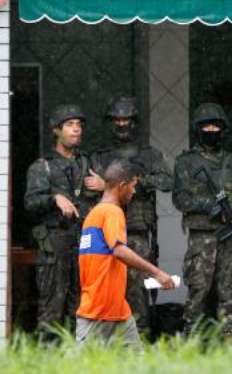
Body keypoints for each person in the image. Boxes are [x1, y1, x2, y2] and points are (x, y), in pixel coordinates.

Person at [91, 96, 173, 334]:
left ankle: (140, 340)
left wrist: (133, 182)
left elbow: (167, 181)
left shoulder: (149, 155)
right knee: (106, 289)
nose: (122, 124)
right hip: (105, 234)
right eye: (117, 119)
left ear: (134, 122)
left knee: (137, 293)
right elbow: (87, 189)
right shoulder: (100, 156)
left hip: (136, 232)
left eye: (126, 119)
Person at [173, 103, 232, 337]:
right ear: (197, 130)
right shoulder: (186, 162)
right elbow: (180, 198)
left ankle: (229, 337)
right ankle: (191, 337)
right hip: (202, 237)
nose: (211, 131)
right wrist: (210, 206)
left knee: (228, 291)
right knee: (198, 289)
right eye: (206, 126)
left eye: (216, 126)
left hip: (230, 236)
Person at [24, 104, 104, 335]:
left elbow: (117, 192)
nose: (76, 129)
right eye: (70, 125)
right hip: (55, 245)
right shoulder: (43, 167)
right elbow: (30, 204)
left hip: (85, 243)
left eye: (79, 125)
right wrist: (54, 198)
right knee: (52, 306)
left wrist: (104, 185)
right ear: (56, 130)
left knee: (82, 305)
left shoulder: (88, 164)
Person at [77, 159, 175, 347]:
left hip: (118, 311)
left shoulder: (94, 214)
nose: (134, 191)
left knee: (136, 364)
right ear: (122, 186)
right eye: (133, 185)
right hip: (98, 312)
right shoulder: (112, 212)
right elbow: (119, 250)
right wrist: (157, 273)